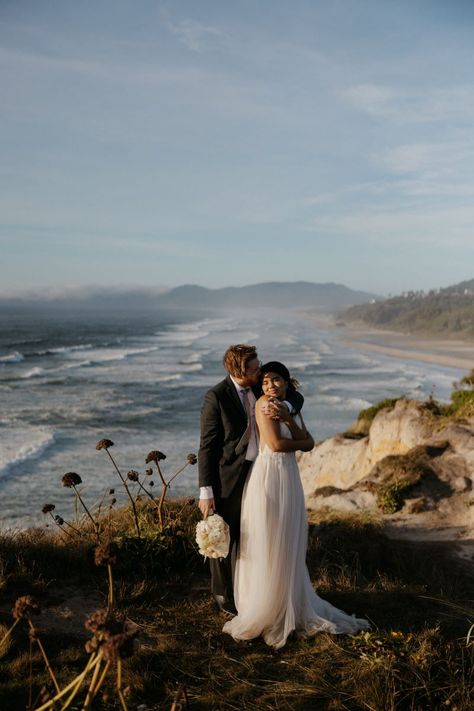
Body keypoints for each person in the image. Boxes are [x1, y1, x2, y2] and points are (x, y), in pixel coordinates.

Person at [223, 361, 370, 648]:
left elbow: (311, 442)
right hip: (269, 478)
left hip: (287, 477)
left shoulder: (290, 407)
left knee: (287, 539)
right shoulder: (264, 406)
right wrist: (300, 441)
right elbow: (276, 445)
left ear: (287, 382)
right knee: (269, 539)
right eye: (265, 382)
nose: (270, 386)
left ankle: (289, 599)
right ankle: (266, 606)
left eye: (276, 380)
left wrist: (290, 422)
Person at [198, 345, 303, 615]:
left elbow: (296, 395)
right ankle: (223, 595)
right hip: (229, 477)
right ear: (238, 371)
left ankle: (252, 591)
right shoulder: (216, 397)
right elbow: (207, 447)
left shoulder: (260, 387)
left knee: (253, 534)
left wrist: (286, 407)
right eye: (255, 369)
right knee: (223, 534)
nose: (260, 372)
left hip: (261, 471)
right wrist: (206, 491)